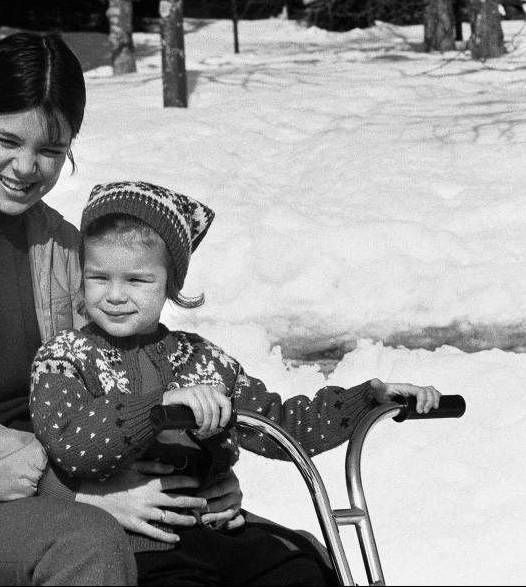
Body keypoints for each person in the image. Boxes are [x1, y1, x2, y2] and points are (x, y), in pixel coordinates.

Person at [0, 32, 242, 586]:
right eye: (7, 140)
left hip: (86, 471)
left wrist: (201, 470)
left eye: (51, 151)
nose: (27, 166)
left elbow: (125, 371)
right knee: (89, 546)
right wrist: (77, 490)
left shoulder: (62, 243)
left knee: (270, 554)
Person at [29, 181, 443, 585]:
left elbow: (280, 424)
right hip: (137, 543)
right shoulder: (64, 357)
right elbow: (72, 443)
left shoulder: (202, 359)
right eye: (99, 277)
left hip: (217, 528)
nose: (115, 295)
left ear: (171, 284)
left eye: (137, 280)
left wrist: (367, 401)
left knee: (301, 566)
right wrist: (159, 406)